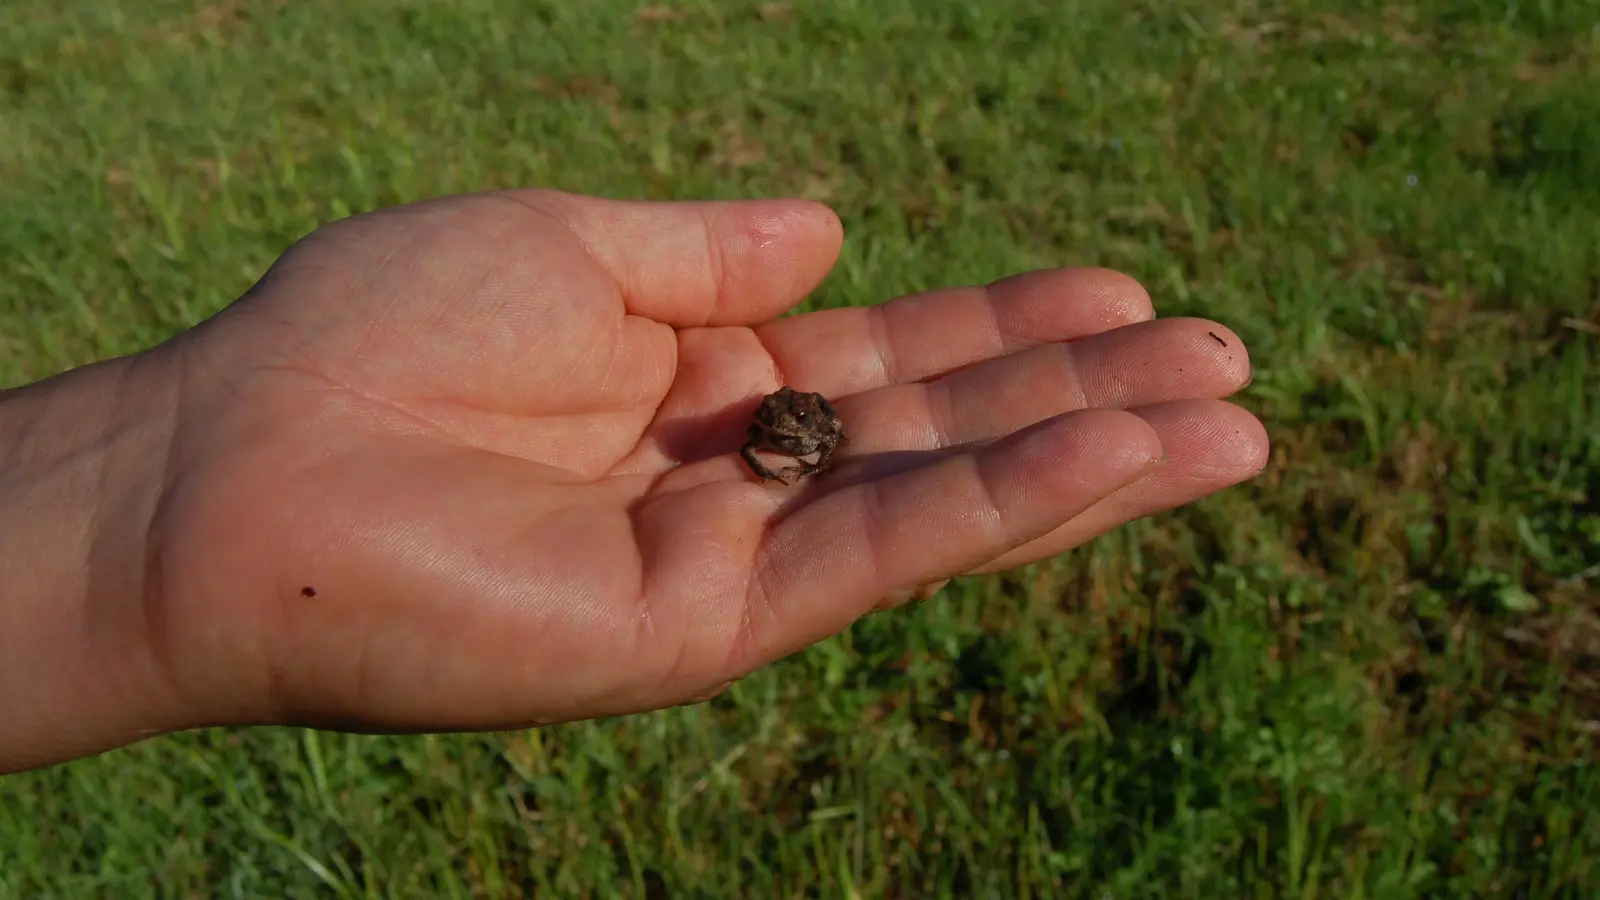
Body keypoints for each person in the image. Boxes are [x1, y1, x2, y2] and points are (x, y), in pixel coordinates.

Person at [0, 190, 1268, 775]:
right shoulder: (760, 429)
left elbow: (788, 436)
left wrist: (151, 486)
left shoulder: (784, 431)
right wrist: (167, 477)